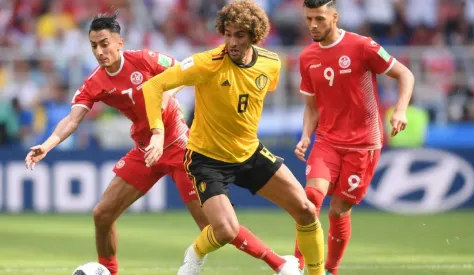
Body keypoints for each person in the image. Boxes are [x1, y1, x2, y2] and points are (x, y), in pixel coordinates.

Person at [24, 12, 295, 275]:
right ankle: (109, 272)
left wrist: (165, 98)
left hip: (180, 147)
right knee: (102, 214)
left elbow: (180, 75)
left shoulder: (144, 59)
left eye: (104, 44)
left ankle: (279, 263)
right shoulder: (95, 82)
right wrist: (47, 145)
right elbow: (73, 119)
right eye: (94, 45)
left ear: (120, 42)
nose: (99, 51)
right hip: (146, 151)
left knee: (213, 227)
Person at [142, 1, 326, 275]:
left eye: (239, 35)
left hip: (249, 152)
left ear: (254, 35)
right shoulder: (207, 62)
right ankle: (195, 252)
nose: (231, 41)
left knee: (306, 210)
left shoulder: (271, 63)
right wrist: (157, 133)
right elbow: (153, 86)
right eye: (227, 33)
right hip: (207, 159)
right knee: (225, 230)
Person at [293, 1, 415, 274]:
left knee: (338, 211)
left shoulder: (363, 46)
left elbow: (405, 74)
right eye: (309, 18)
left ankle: (331, 269)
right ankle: (296, 266)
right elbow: (311, 108)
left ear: (334, 17)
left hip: (363, 144)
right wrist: (305, 136)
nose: (313, 25)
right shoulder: (307, 57)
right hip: (326, 140)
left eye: (320, 18)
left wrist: (401, 110)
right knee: (309, 201)